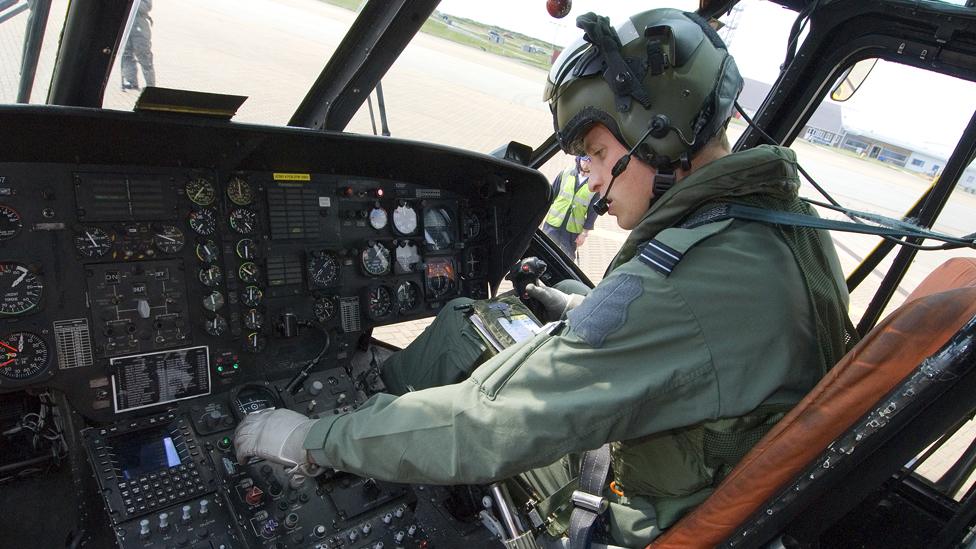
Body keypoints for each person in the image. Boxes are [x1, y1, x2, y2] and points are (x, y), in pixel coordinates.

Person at [234, 8, 856, 547]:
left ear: (657, 134)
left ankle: (354, 427)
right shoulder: (781, 225)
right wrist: (584, 307)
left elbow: (485, 427)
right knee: (474, 320)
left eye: (598, 153)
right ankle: (373, 416)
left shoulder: (682, 279)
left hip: (633, 512)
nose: (587, 176)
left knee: (462, 330)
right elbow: (705, 351)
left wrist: (313, 438)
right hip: (696, 472)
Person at [542, 155, 599, 258]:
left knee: (566, 259)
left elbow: (592, 213)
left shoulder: (595, 184)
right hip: (552, 224)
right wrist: (539, 218)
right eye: (585, 159)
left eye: (591, 161)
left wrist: (584, 234)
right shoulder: (565, 173)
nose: (587, 163)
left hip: (572, 231)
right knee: (543, 252)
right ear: (579, 159)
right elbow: (550, 197)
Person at [121, 0, 155, 91]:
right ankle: (131, 82)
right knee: (126, 54)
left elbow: (147, 7)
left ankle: (150, 86)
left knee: (144, 56)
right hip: (126, 25)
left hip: (140, 26)